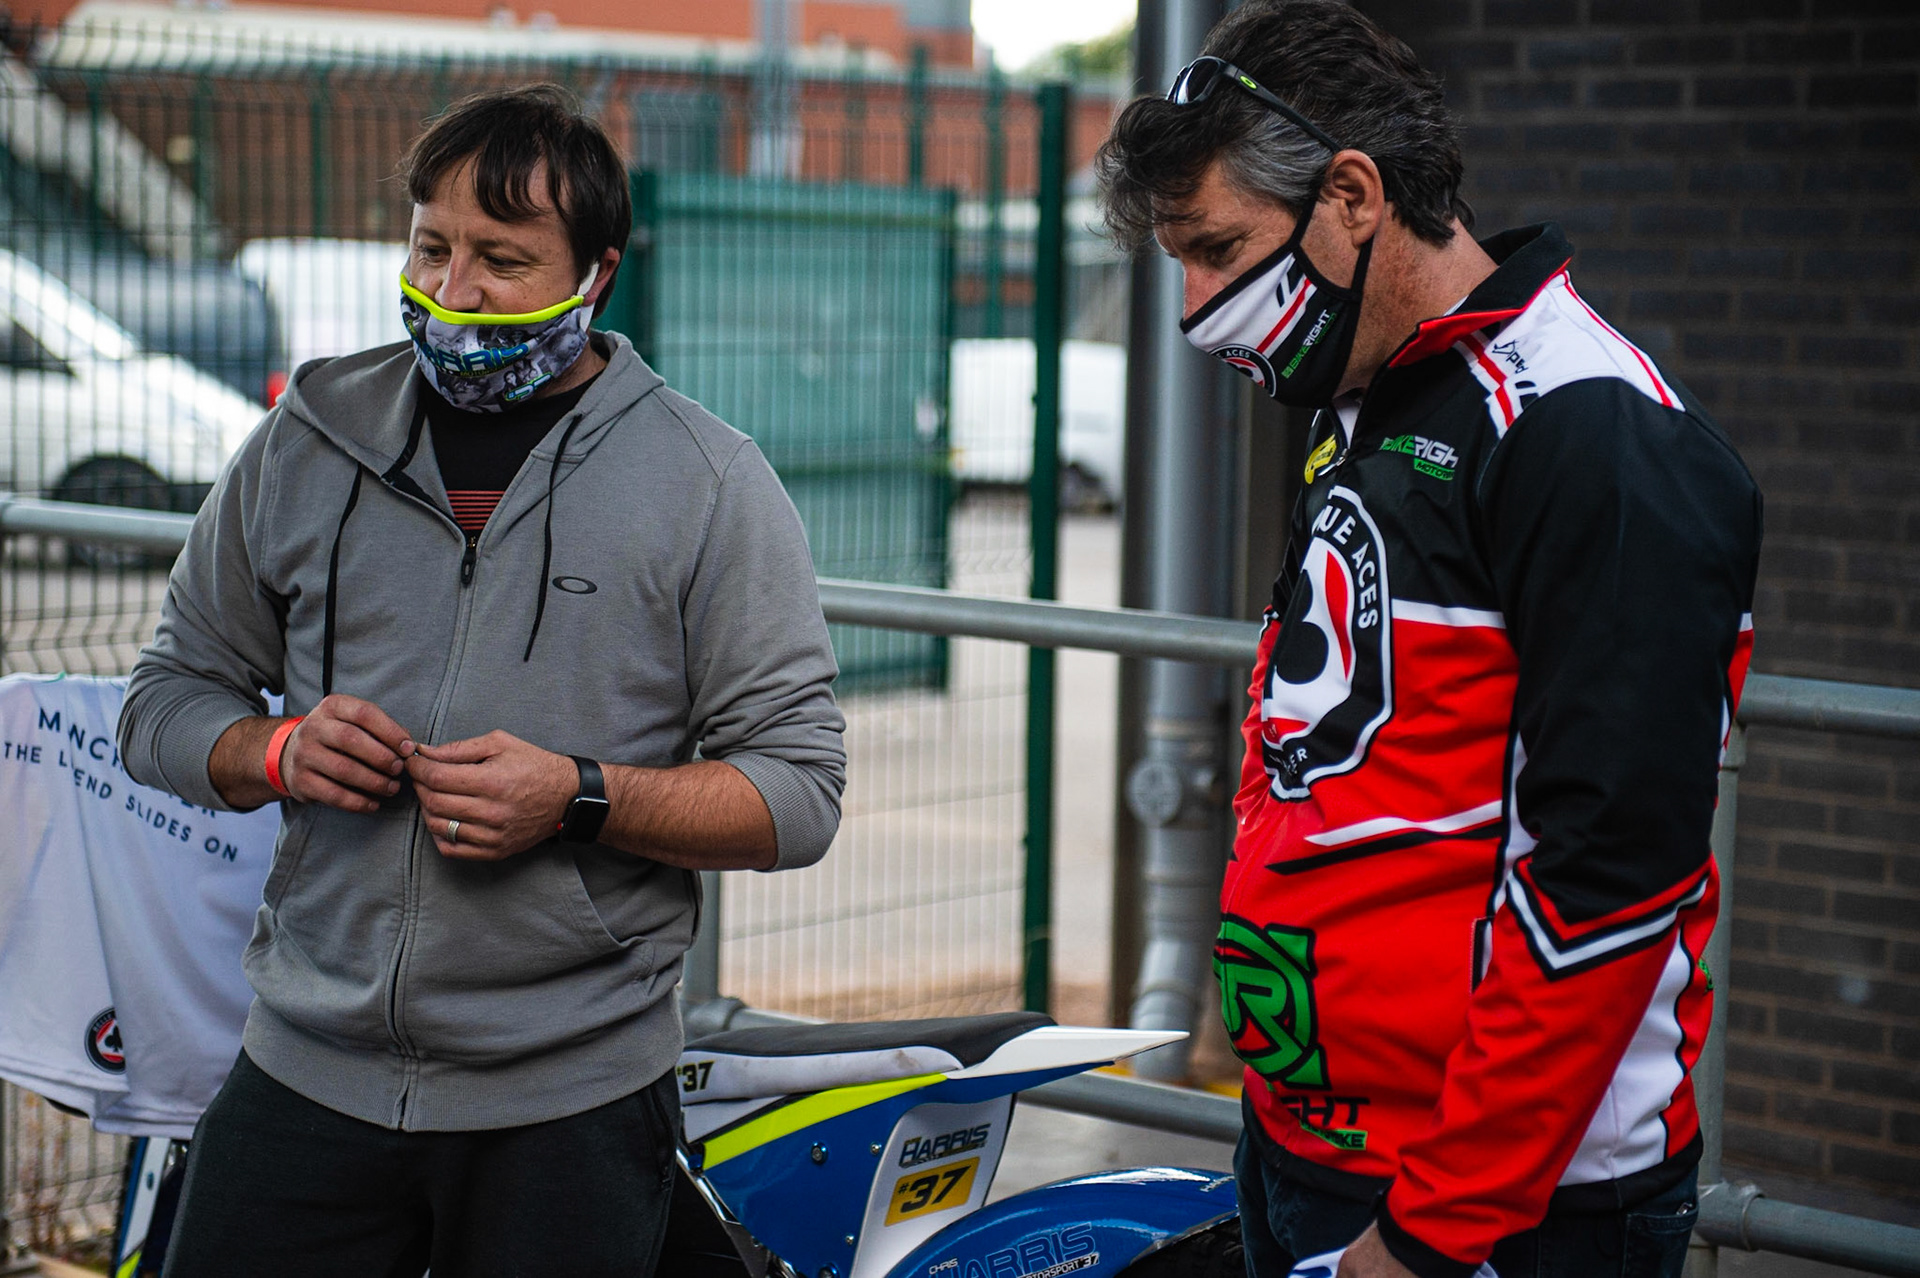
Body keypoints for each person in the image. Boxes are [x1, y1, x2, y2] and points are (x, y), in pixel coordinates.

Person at [118, 84, 846, 1276]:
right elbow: (163, 703)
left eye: (503, 261)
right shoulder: (305, 441)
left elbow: (799, 796)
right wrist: (274, 751)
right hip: (306, 1068)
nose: (453, 294)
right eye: (431, 248)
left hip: (570, 1096)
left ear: (597, 274)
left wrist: (578, 797)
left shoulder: (707, 481)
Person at [1096, 4, 1761, 1277]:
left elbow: (1610, 876)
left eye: (1217, 250)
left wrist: (1430, 1233)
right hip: (1304, 1146)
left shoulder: (1590, 432)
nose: (1195, 309)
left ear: (1353, 196)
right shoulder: (1364, 394)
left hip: (1490, 1212)